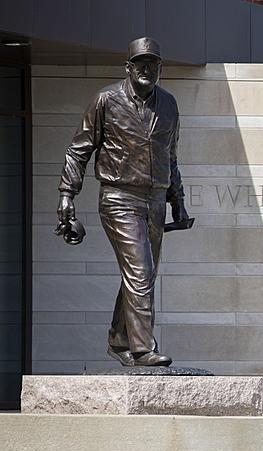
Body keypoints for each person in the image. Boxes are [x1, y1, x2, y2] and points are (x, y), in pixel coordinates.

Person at [57, 37, 192, 367]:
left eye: (154, 64)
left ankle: (120, 340)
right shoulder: (106, 100)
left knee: (141, 274)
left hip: (156, 201)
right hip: (119, 197)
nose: (147, 70)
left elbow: (169, 157)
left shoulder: (169, 105)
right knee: (140, 272)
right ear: (128, 68)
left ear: (161, 68)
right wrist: (66, 196)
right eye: (141, 64)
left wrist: (178, 201)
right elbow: (79, 150)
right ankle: (144, 349)